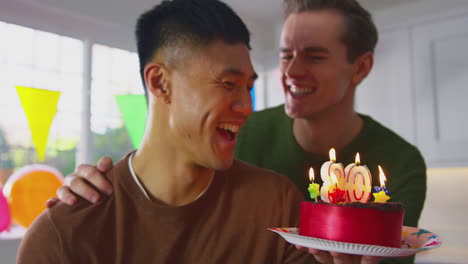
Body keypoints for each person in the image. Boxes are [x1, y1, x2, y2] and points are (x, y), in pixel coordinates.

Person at [51, 0, 426, 263]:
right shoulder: (237, 133)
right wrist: (103, 186)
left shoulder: (401, 162)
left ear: (360, 68)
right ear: (159, 82)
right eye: (284, 55)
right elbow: (169, 158)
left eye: (314, 56)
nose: (291, 73)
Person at [17, 0, 324, 263]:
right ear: (161, 83)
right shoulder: (64, 234)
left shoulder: (276, 203)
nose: (246, 106)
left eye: (249, 87)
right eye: (228, 84)